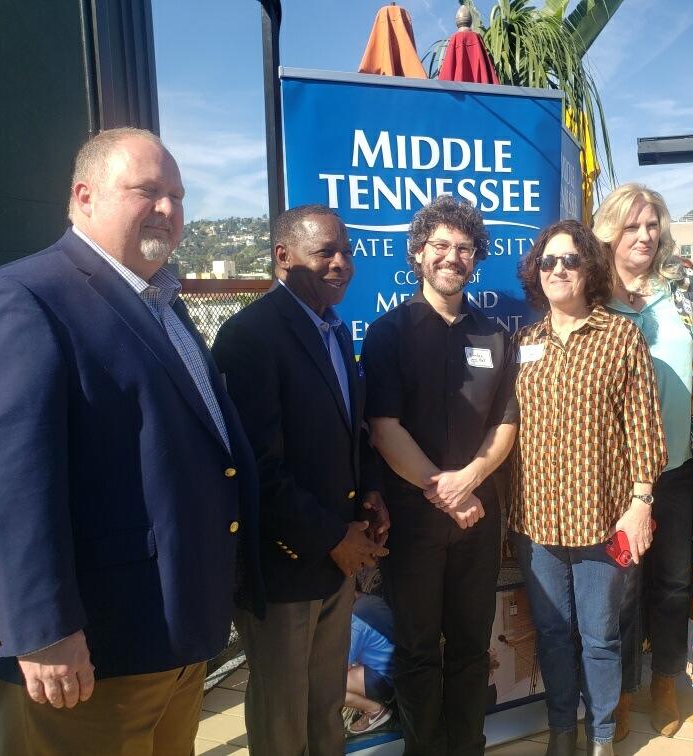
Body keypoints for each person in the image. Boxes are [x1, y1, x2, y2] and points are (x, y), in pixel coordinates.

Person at [0, 127, 262, 754]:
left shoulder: (163, 306)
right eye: (147, 191)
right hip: (87, 655)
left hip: (174, 640)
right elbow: (0, 484)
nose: (169, 210)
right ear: (84, 196)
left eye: (178, 195)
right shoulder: (22, 298)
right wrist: (41, 631)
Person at [212, 205, 389, 756]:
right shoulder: (251, 336)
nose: (341, 264)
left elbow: (346, 430)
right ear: (283, 257)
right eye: (325, 253)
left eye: (346, 251)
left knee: (324, 709)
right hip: (286, 564)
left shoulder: (334, 332)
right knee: (283, 719)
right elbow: (255, 465)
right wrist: (334, 539)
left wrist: (372, 491)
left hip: (335, 563)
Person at [361, 195, 518, 755]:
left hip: (478, 514)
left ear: (476, 259)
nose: (453, 257)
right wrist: (445, 493)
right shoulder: (388, 334)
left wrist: (472, 477)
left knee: (473, 645)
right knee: (419, 649)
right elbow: (384, 429)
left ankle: (466, 745)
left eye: (465, 248)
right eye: (442, 246)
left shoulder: (496, 336)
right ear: (417, 253)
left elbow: (505, 424)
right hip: (415, 520)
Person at [510, 219, 667, 756]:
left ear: (589, 270)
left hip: (603, 519)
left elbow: (645, 429)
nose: (558, 270)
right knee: (553, 636)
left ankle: (601, 735)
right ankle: (561, 729)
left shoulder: (621, 336)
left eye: (570, 260)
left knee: (600, 637)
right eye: (548, 262)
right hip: (536, 521)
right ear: (537, 272)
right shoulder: (525, 341)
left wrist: (641, 503)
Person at [592, 184, 693, 737]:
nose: (644, 236)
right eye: (631, 226)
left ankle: (665, 681)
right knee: (619, 589)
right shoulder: (590, 292)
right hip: (611, 476)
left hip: (678, 471)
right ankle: (620, 690)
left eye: (652, 225)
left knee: (672, 581)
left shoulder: (687, 290)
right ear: (608, 234)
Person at [347, 592, 397, 735]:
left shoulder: (355, 617)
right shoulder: (370, 600)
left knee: (329, 686)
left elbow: (341, 667)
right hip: (399, 670)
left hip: (386, 681)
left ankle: (374, 710)